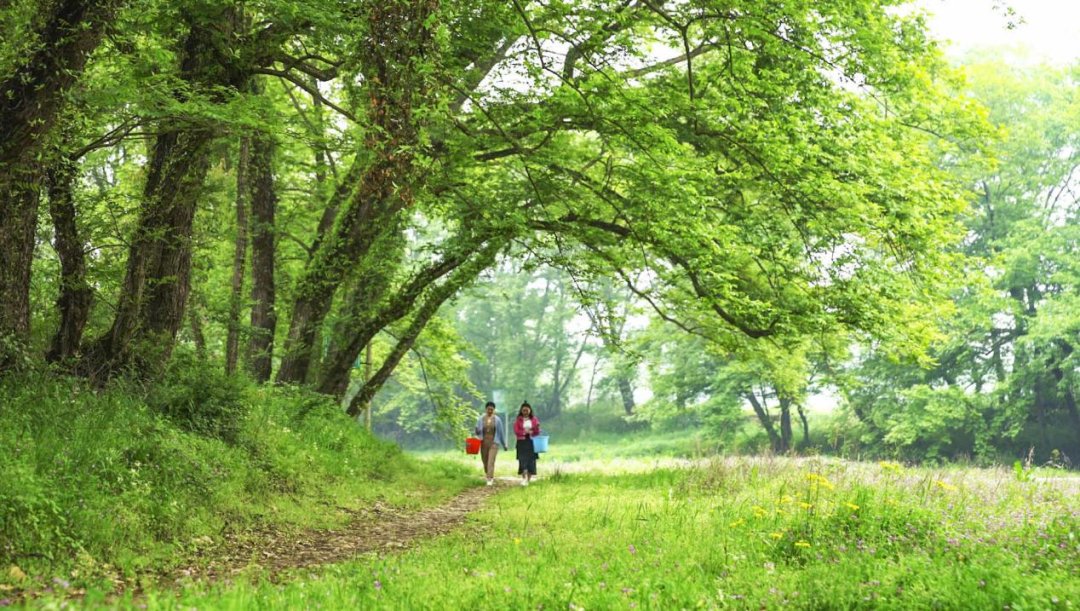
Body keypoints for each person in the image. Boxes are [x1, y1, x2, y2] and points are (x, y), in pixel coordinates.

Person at [473, 401, 507, 486]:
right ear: (486, 409)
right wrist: (477, 431)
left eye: (492, 409)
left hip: (494, 443)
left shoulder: (497, 420)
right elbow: (477, 432)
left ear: (494, 410)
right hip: (484, 442)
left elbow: (501, 432)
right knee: (485, 460)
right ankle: (488, 473)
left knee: (491, 461)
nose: (490, 411)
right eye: (489, 409)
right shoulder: (481, 419)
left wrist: (504, 444)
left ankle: (490, 478)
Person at [513, 402, 541, 486]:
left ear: (530, 410)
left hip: (532, 442)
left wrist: (536, 428)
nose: (525, 412)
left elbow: (537, 432)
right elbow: (516, 431)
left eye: (527, 410)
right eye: (523, 410)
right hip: (521, 442)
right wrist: (525, 432)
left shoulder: (534, 419)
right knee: (522, 460)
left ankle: (528, 480)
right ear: (521, 411)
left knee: (531, 461)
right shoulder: (518, 420)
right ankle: (524, 478)